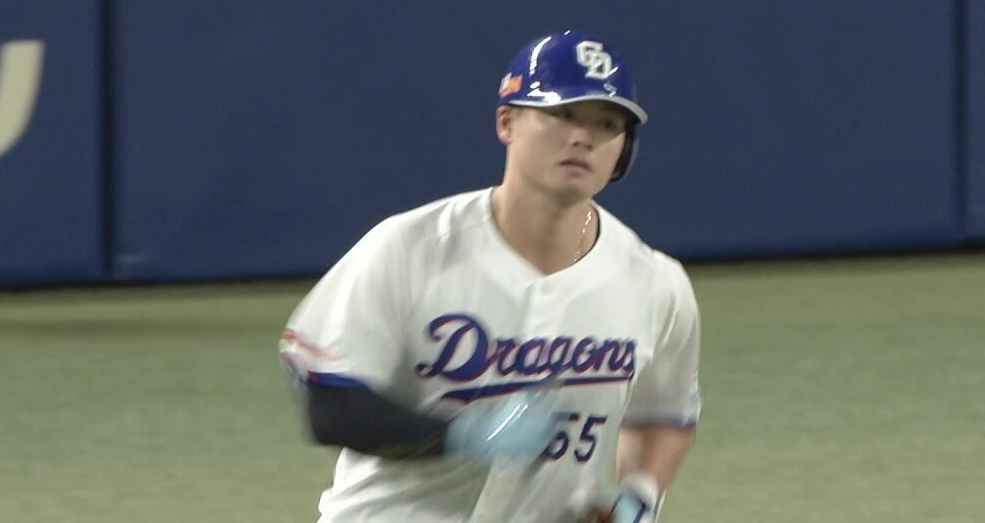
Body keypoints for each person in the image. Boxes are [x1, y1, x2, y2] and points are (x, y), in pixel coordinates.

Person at [279, 31, 702, 523]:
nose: (584, 137)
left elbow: (665, 412)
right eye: (563, 114)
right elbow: (331, 407)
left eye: (607, 124)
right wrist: (462, 435)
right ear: (507, 122)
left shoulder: (655, 283)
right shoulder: (408, 248)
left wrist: (639, 496)